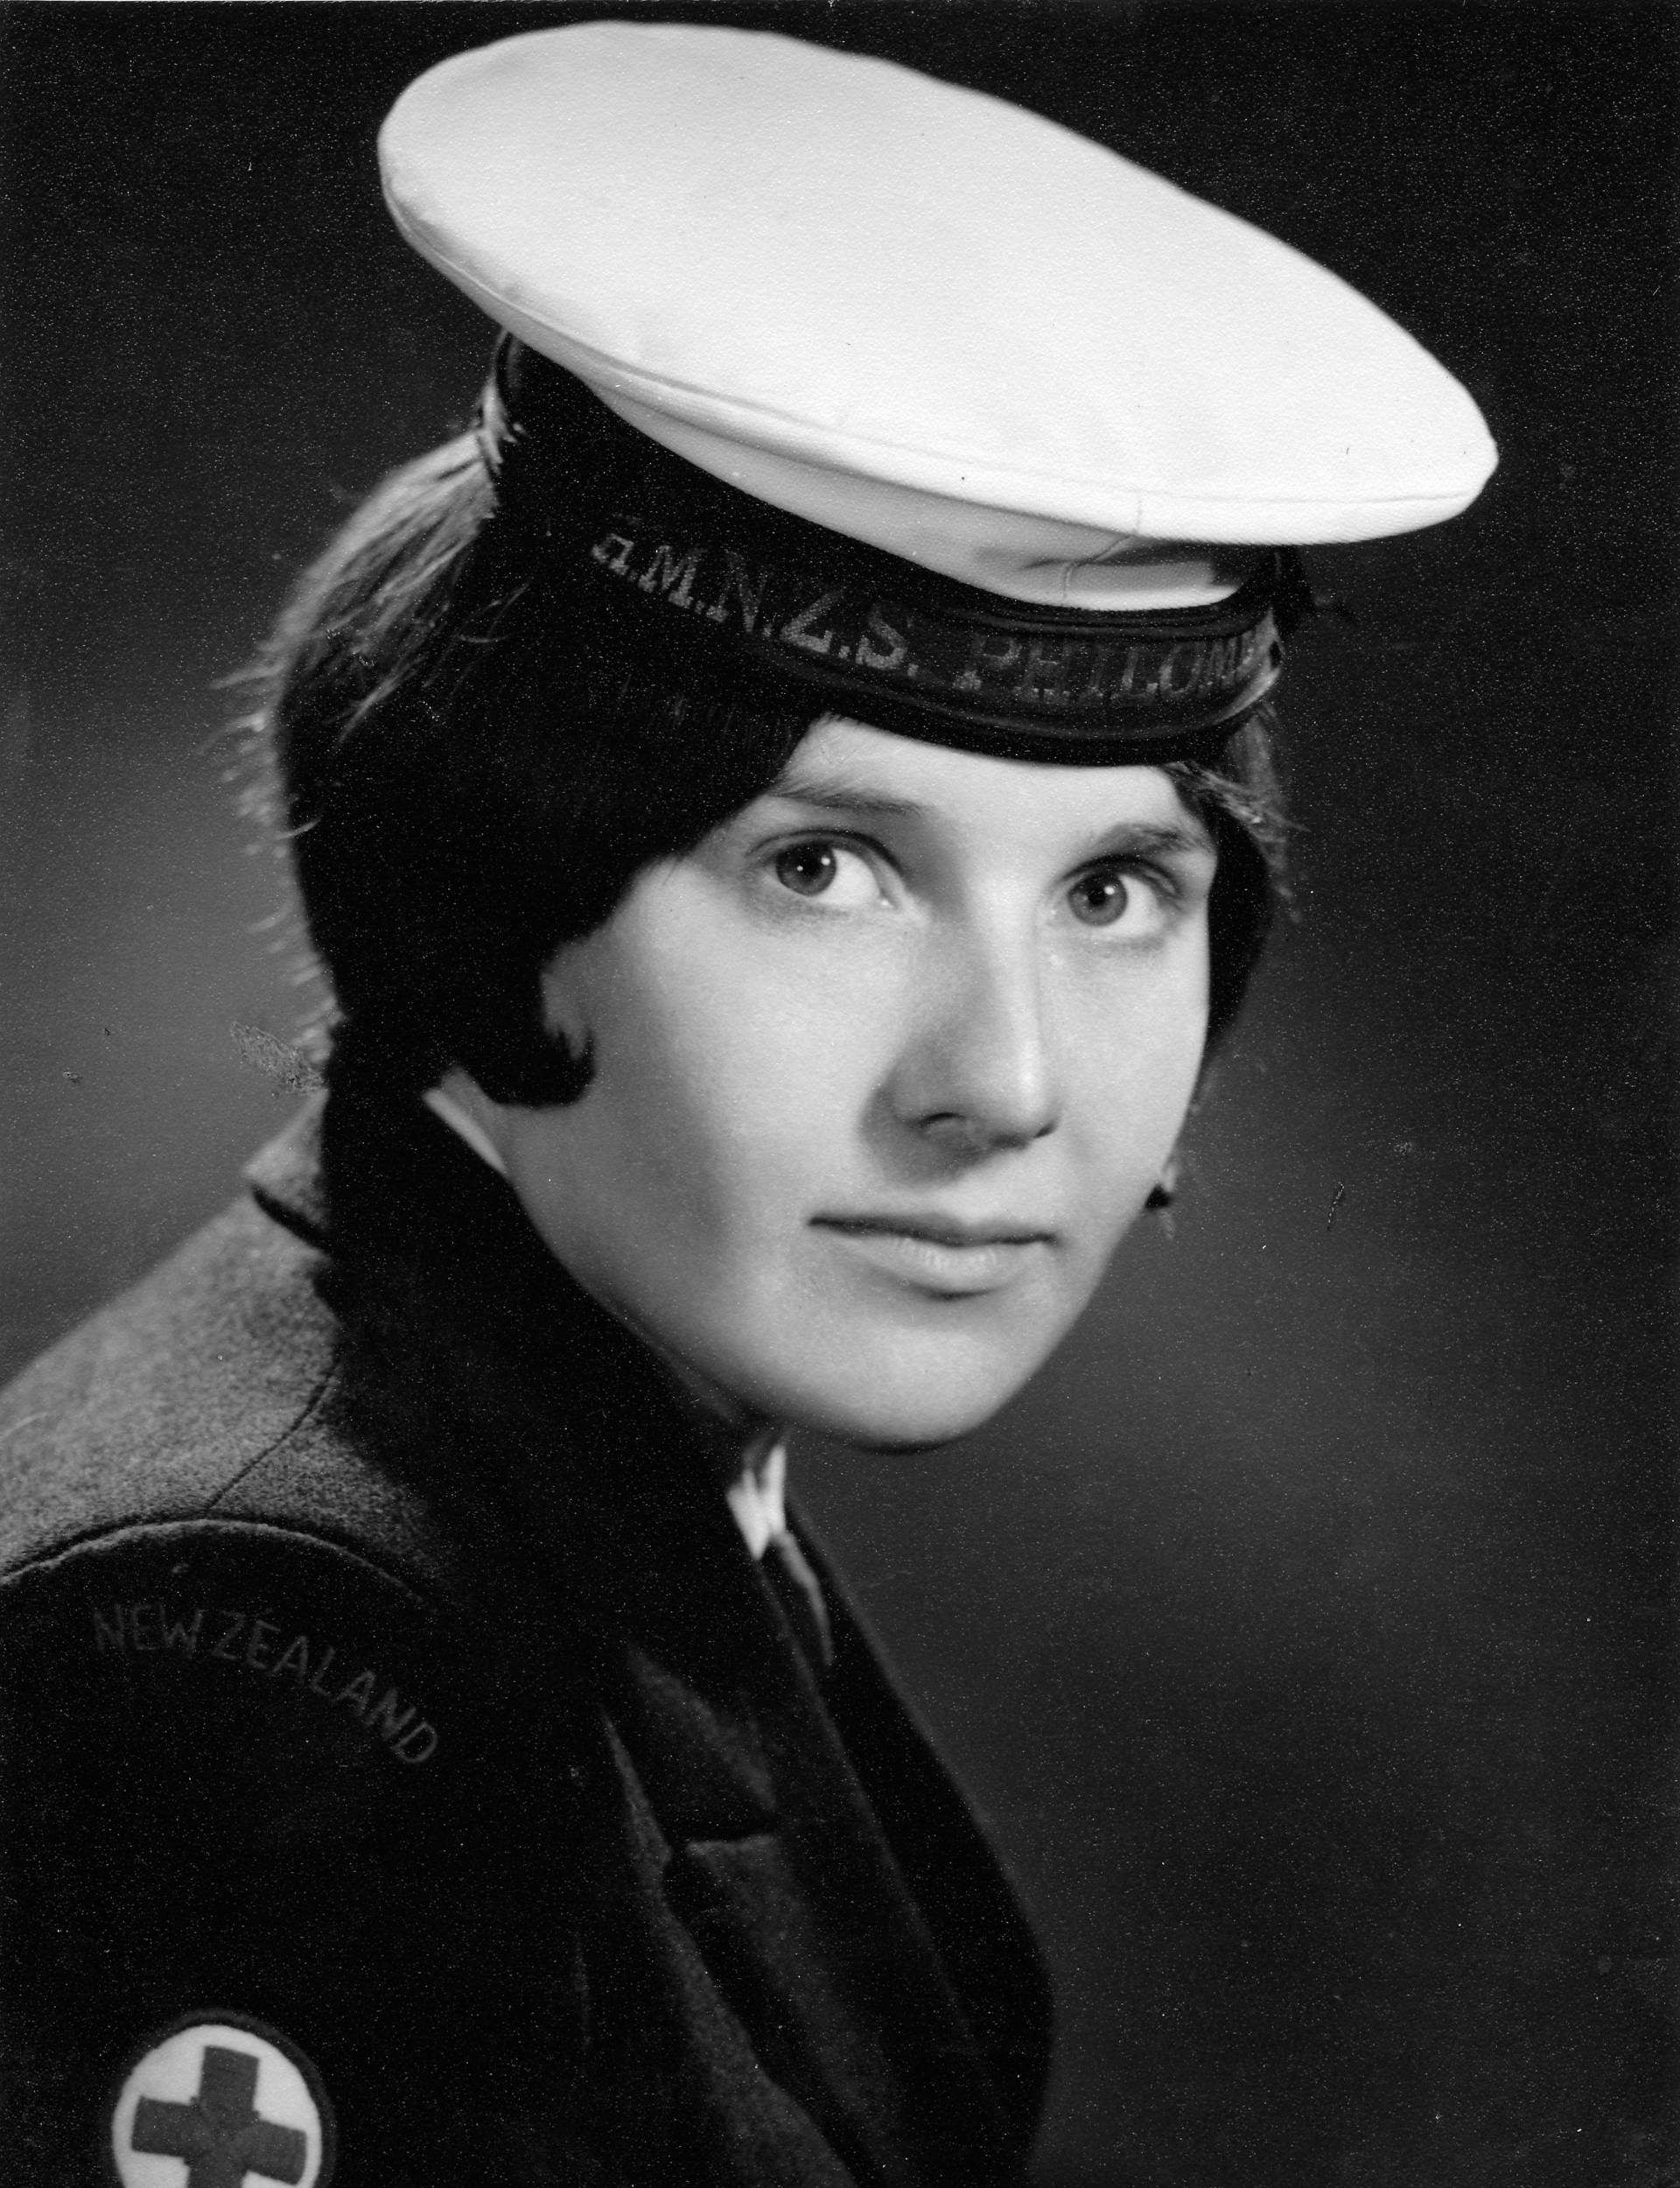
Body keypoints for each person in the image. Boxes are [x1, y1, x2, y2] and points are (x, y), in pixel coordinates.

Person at [0, 22, 1494, 2187]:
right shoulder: (263, 1657)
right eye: (825, 868)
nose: (1002, 1081)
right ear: (497, 879)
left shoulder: (587, 1483)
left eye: (1113, 887)